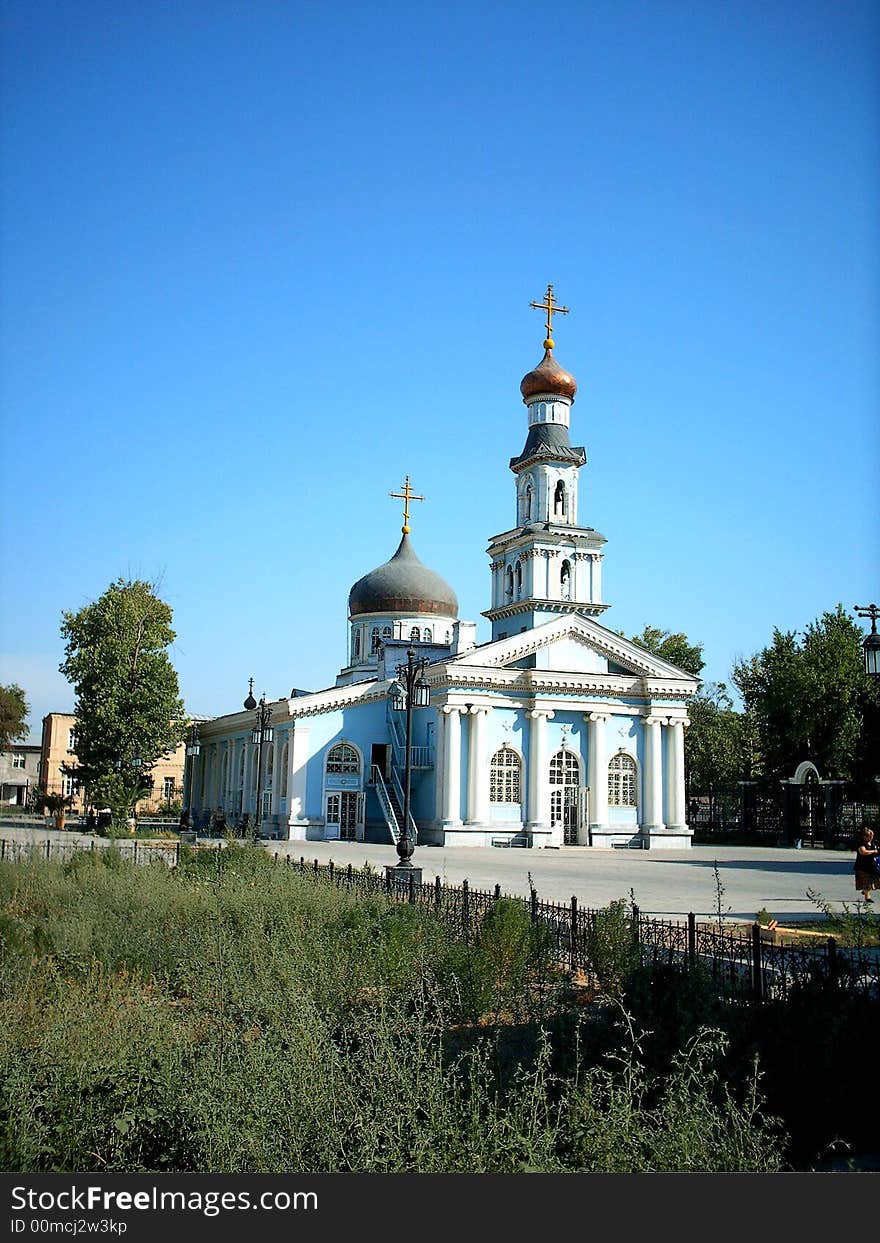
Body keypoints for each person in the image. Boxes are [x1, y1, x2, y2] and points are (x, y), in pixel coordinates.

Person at [853, 826, 880, 904]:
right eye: (869, 836)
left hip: (872, 866)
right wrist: (873, 851)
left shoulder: (873, 843)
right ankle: (867, 897)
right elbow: (863, 852)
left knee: (876, 881)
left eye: (872, 836)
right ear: (864, 836)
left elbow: (877, 851)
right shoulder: (861, 844)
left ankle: (865, 890)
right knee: (866, 882)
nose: (871, 838)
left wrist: (876, 851)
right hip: (862, 867)